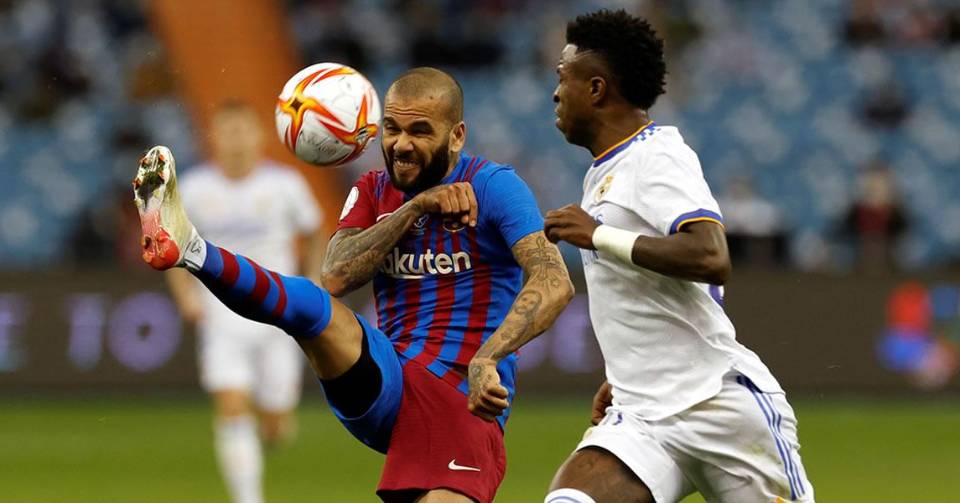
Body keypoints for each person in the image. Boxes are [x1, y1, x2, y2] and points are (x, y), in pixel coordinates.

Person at [133, 67, 574, 503]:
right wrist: (415, 208)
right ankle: (192, 249)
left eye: (420, 131)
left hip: (460, 398)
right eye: (392, 129)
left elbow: (555, 282)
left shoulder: (494, 186)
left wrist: (489, 357)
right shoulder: (373, 190)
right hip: (387, 381)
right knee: (312, 305)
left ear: (456, 136)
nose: (401, 144)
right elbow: (336, 275)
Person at [543, 10, 814, 503]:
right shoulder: (605, 171)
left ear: (597, 88)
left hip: (717, 406)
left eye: (563, 78)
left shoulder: (657, 154)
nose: (556, 93)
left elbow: (710, 255)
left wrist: (599, 235)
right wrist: (627, 373)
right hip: (641, 416)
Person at [164, 100, 324, 503]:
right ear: (213, 138)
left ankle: (272, 426)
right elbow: (173, 248)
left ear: (259, 137)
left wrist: (313, 281)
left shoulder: (285, 185)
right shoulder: (194, 189)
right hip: (221, 316)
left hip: (277, 315)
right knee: (232, 406)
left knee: (274, 425)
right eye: (227, 131)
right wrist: (186, 295)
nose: (235, 140)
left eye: (242, 131)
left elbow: (315, 231)